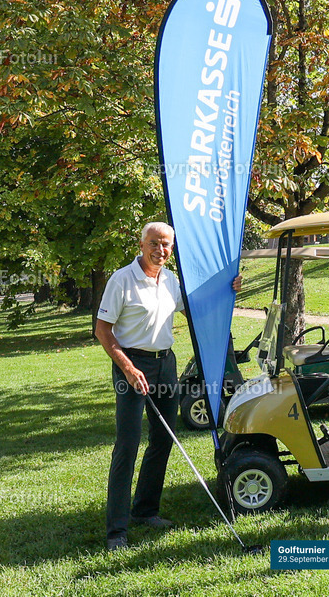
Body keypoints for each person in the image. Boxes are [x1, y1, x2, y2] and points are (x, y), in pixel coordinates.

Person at [95, 221, 241, 551]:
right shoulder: (122, 280)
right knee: (128, 444)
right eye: (155, 243)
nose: (161, 250)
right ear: (141, 243)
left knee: (163, 438)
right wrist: (128, 368)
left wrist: (228, 289)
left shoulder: (171, 279)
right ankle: (116, 530)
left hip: (165, 364)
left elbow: (196, 309)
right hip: (131, 364)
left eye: (167, 246)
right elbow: (103, 330)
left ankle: (145, 510)